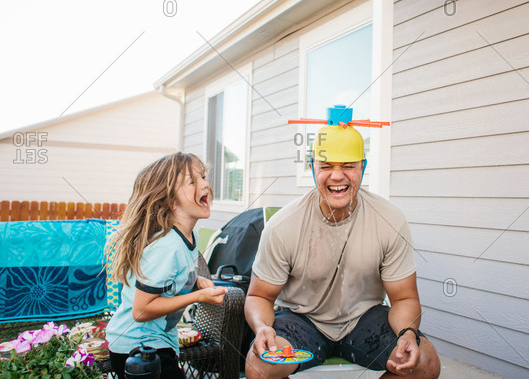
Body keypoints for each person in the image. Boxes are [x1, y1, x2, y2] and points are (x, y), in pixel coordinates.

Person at [244, 113, 441, 379]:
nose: (337, 176)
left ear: (363, 166)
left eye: (348, 165)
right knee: (259, 366)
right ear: (313, 167)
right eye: (326, 166)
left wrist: (408, 332)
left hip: (364, 319)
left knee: (425, 361)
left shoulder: (390, 221)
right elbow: (259, 296)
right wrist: (262, 328)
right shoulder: (283, 226)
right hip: (302, 320)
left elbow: (404, 297)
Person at [105, 152, 228, 379]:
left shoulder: (189, 235)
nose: (205, 185)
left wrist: (196, 282)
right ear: (171, 202)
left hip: (156, 343)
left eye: (203, 177)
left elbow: (171, 282)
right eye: (192, 181)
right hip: (137, 349)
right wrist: (198, 297)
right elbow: (141, 310)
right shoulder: (166, 246)